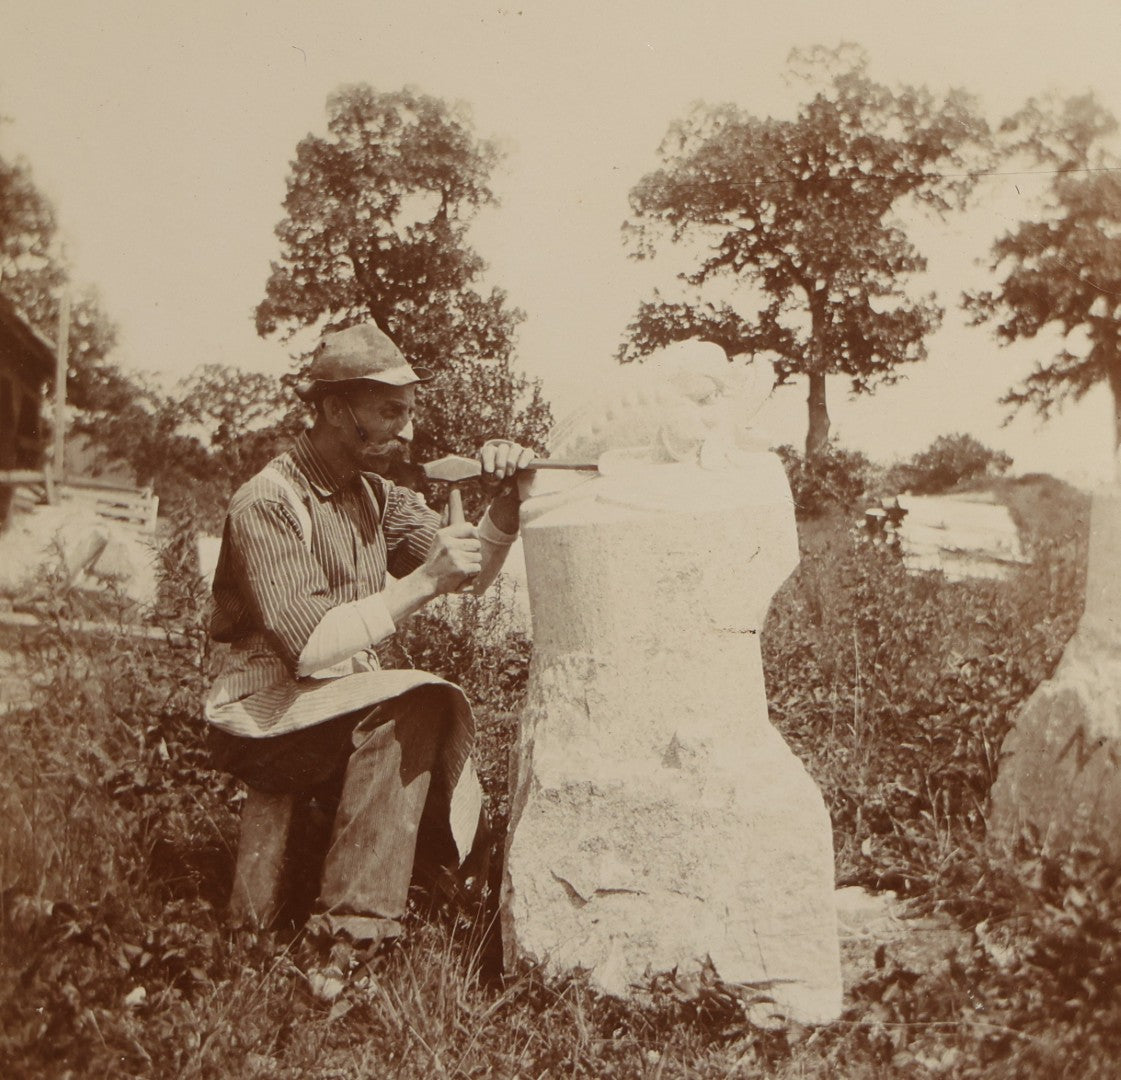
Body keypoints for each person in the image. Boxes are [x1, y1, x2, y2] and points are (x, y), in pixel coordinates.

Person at [204, 321, 533, 971]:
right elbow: (307, 648)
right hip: (261, 720)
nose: (406, 430)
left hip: (326, 706)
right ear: (333, 409)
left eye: (409, 411)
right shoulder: (265, 503)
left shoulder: (376, 496)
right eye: (390, 411)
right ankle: (351, 943)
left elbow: (468, 575)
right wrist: (423, 581)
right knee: (417, 701)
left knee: (421, 703)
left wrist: (509, 500)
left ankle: (422, 895)